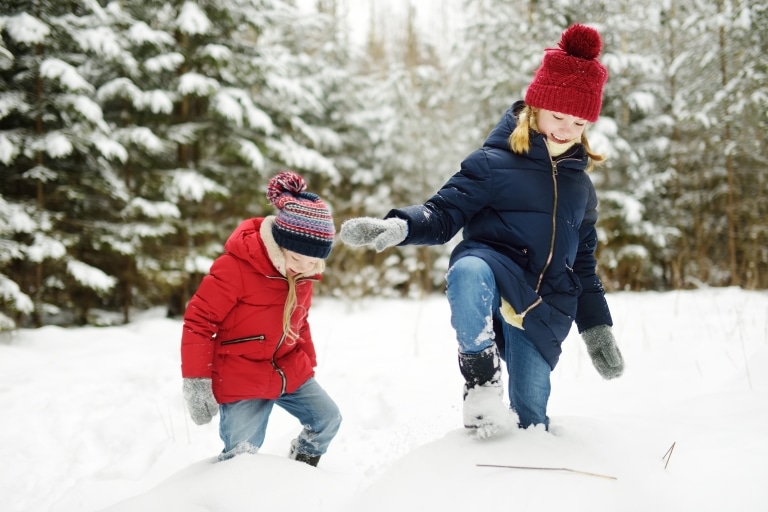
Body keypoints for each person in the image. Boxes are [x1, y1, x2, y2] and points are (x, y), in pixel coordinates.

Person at [340, 24, 624, 437]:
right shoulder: (493, 162)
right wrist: (401, 225)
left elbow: (582, 264)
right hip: (495, 273)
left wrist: (597, 329)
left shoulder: (582, 188)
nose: (566, 129)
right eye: (558, 115)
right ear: (535, 108)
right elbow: (443, 214)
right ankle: (481, 379)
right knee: (469, 269)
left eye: (579, 123)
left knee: (531, 419)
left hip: (544, 303)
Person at [181, 171, 341, 466]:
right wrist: (196, 380)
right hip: (240, 374)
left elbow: (299, 320)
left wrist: (308, 362)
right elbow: (198, 322)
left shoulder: (303, 273)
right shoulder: (236, 267)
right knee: (241, 455)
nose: (304, 269)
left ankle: (298, 473)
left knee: (327, 420)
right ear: (280, 243)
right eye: (297, 260)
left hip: (287, 367)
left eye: (313, 262)